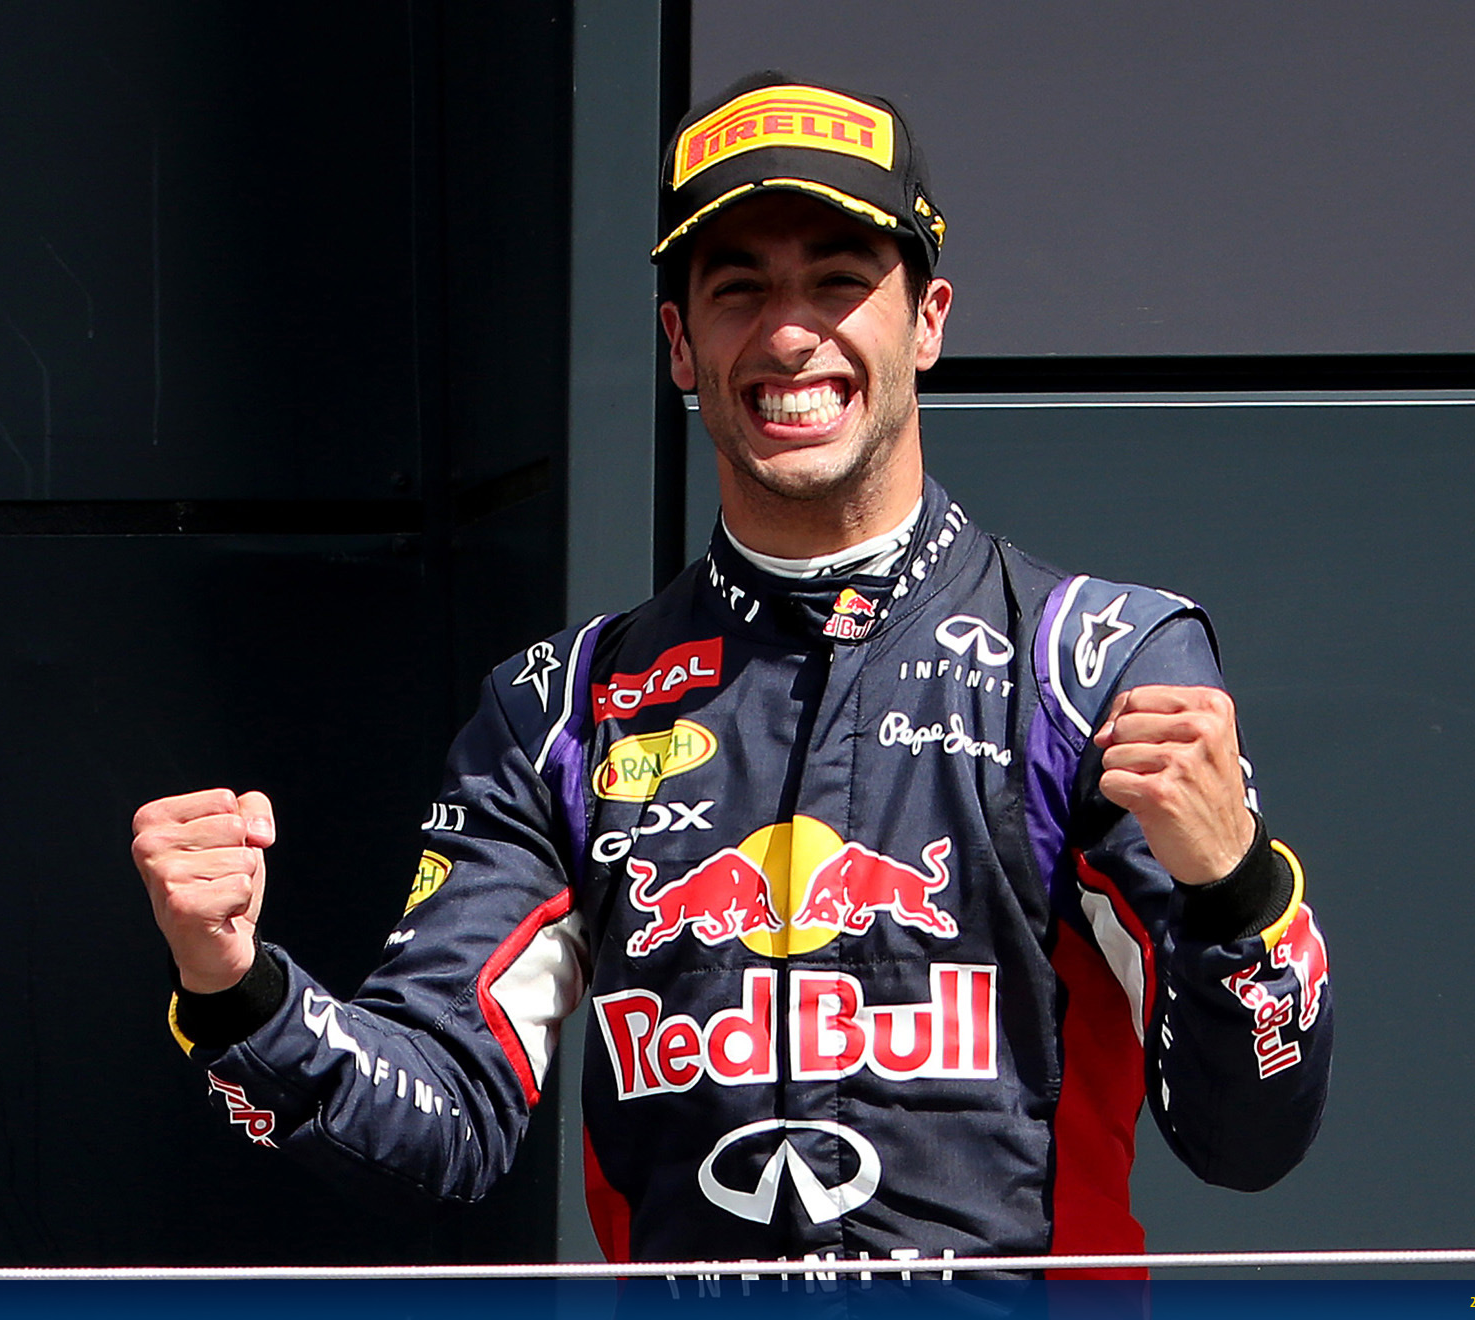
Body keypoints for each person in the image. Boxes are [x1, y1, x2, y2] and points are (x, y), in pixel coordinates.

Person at [132, 72, 1332, 1272]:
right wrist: (235, 988)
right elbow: (441, 1126)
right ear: (679, 343)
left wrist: (1233, 887)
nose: (790, 332)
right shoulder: (557, 712)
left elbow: (1245, 1136)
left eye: (838, 280)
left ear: (926, 320)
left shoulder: (1094, 664)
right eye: (738, 288)